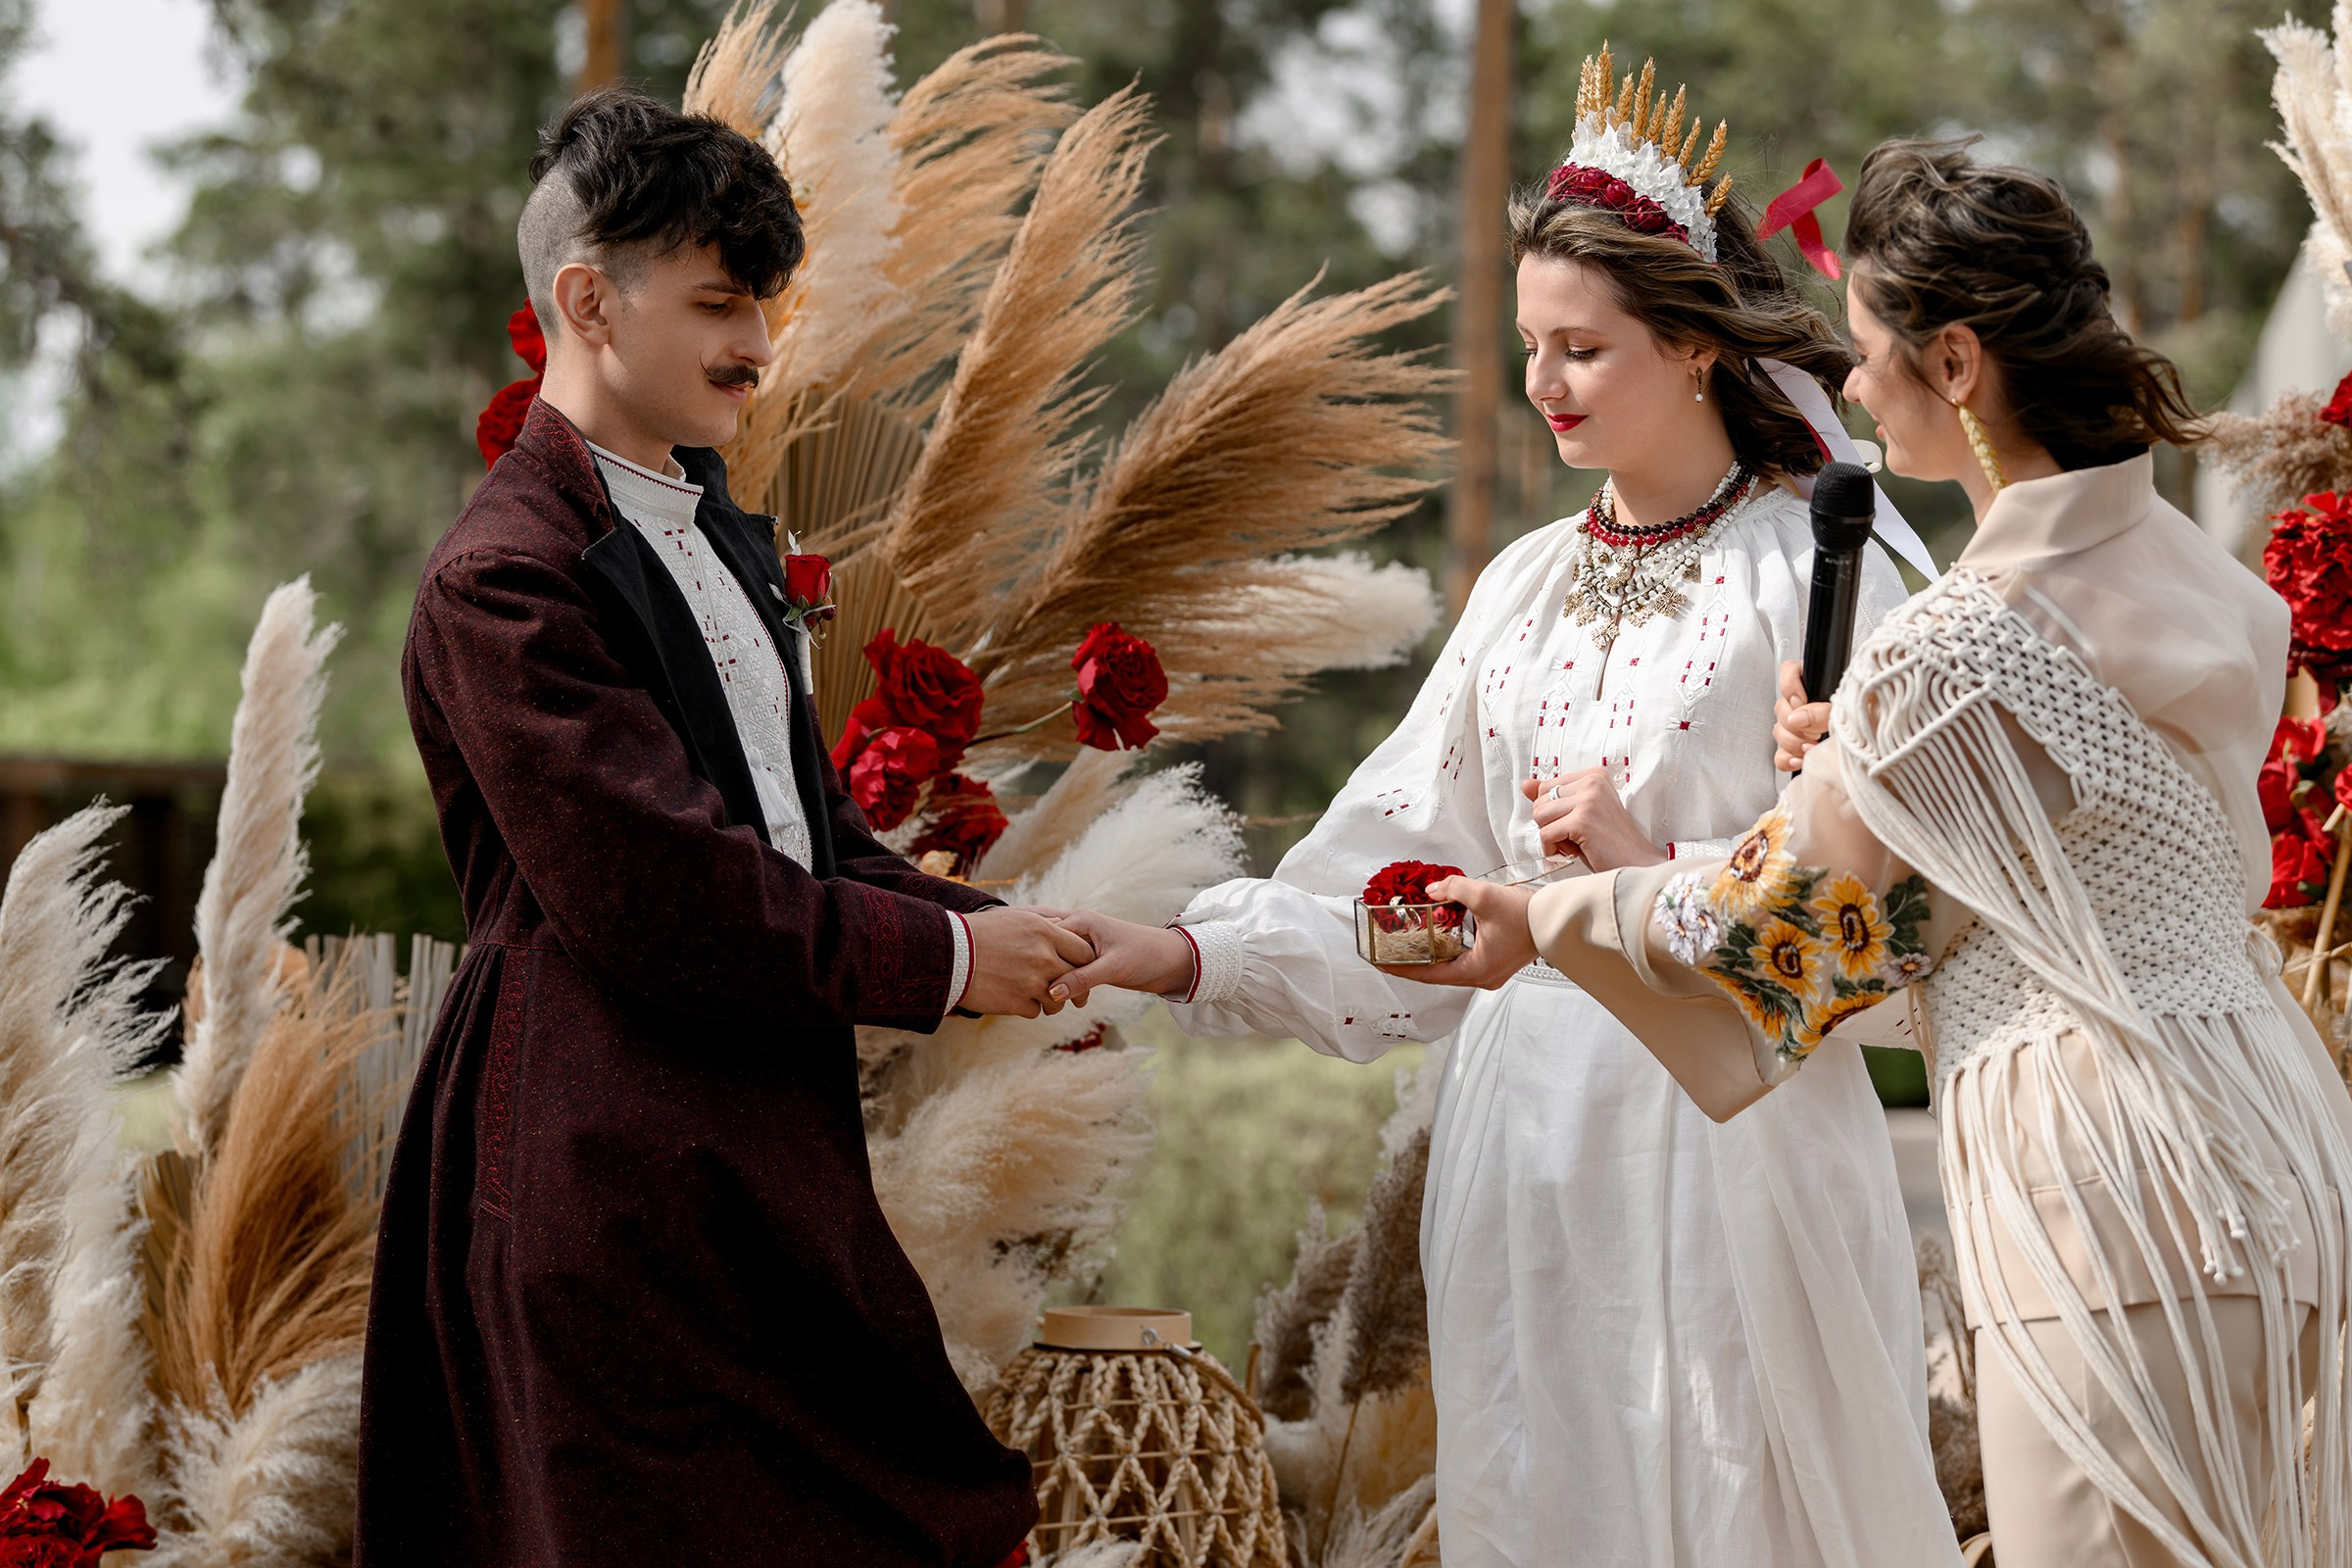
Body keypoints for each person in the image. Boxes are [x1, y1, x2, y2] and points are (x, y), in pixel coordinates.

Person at [1052, 54, 1959, 1568]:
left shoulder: (1821, 571)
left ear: (1690, 344)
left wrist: (1646, 877)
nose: (1541, 382)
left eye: (1583, 349)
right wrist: (1178, 953)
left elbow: (1909, 933)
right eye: (1531, 344)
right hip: (1525, 1157)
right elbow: (1399, 896)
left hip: (1731, 1142)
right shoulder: (1524, 587)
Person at [1431, 139, 2352, 1568]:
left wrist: (1541, 917)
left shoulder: (1955, 643)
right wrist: (1864, 768)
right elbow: (2059, 883)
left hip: (2097, 1181)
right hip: (2282, 1147)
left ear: (1960, 361)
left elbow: (1774, 934)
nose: (1847, 391)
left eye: (1865, 353)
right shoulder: (2219, 589)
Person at [354, 88, 1083, 1567]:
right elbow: (671, 900)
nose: (757, 343)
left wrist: (995, 933)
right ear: (585, 301)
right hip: (599, 1154)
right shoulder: (504, 579)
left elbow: (800, 841)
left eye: (762, 302)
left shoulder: (709, 534)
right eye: (716, 303)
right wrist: (944, 969)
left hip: (750, 1139)